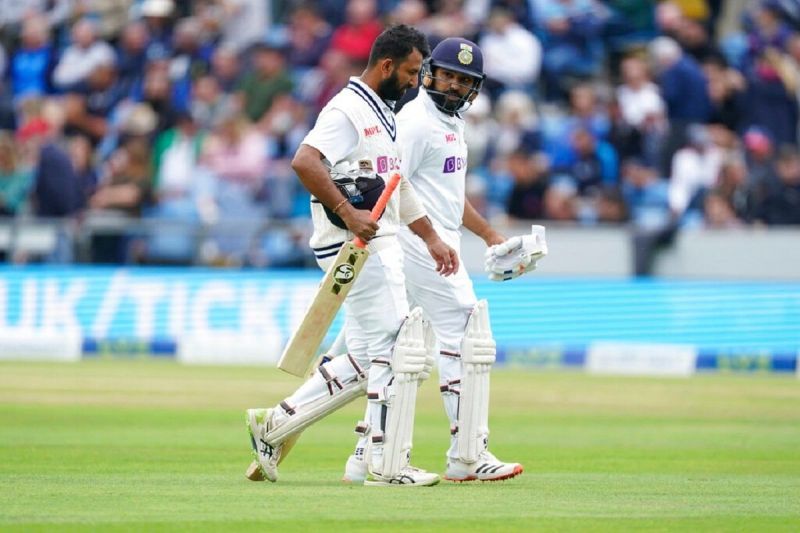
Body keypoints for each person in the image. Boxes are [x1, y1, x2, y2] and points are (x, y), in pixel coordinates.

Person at [245, 24, 459, 487]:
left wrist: (431, 238)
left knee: (366, 358)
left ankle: (277, 426)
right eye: (409, 71)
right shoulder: (347, 109)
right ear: (386, 66)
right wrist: (347, 211)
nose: (414, 81)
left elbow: (395, 188)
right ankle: (387, 463)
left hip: (373, 240)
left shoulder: (384, 113)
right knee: (399, 349)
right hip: (356, 243)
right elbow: (305, 160)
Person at [343, 37, 544, 483]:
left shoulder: (452, 124)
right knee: (468, 328)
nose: (453, 86)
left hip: (437, 241)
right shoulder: (415, 121)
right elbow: (390, 188)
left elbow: (449, 198)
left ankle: (364, 455)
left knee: (393, 348)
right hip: (416, 242)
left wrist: (490, 234)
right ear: (431, 72)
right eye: (448, 75)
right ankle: (468, 455)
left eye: (464, 80)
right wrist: (428, 240)